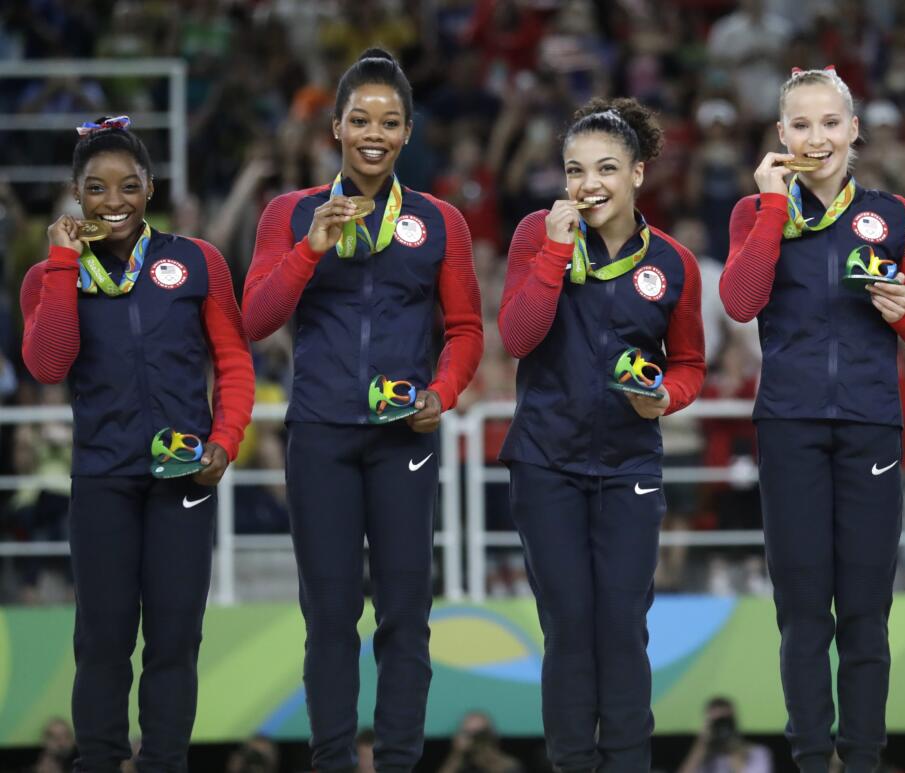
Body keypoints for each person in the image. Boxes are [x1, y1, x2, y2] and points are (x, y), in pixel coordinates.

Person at [242, 48, 483, 771]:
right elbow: (255, 317)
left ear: (408, 132)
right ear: (336, 130)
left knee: (406, 616)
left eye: (389, 120)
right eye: (359, 119)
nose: (373, 132)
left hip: (401, 436)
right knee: (330, 619)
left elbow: (467, 331)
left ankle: (401, 759)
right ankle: (333, 761)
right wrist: (309, 250)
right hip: (320, 434)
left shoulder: (441, 222)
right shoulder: (289, 213)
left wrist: (442, 393)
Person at [720, 67, 905, 773]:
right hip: (788, 425)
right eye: (800, 125)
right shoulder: (754, 213)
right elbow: (739, 300)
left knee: (864, 610)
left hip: (870, 425)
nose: (815, 138)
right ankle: (812, 758)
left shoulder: (895, 215)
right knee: (802, 612)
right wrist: (767, 209)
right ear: (781, 135)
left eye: (829, 123)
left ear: (854, 130)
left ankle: (866, 757)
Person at [20, 116, 254, 771]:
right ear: (76, 195)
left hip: (183, 477)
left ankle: (164, 762)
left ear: (149, 187)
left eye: (127, 185)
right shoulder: (49, 276)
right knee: (102, 639)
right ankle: (97, 761)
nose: (113, 200)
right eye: (96, 188)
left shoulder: (196, 260)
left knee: (176, 637)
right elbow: (48, 363)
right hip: (102, 477)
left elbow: (233, 360)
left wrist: (225, 441)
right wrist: (65, 261)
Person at [498, 96, 706, 772]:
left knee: (622, 628)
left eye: (607, 168)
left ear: (639, 172)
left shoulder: (673, 263)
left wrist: (665, 398)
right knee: (568, 628)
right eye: (576, 169)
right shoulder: (538, 233)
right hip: (545, 462)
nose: (589, 184)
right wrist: (556, 253)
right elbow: (517, 335)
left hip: (628, 465)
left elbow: (691, 364)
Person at [678, 697, 773, 773]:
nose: (721, 727)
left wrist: (733, 747)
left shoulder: (758, 752)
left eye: (725, 721)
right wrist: (701, 744)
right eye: (716, 722)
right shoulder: (703, 758)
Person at [438, 711, 524, 773]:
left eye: (478, 735)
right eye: (467, 734)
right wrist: (456, 755)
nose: (473, 740)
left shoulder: (508, 767)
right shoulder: (459, 766)